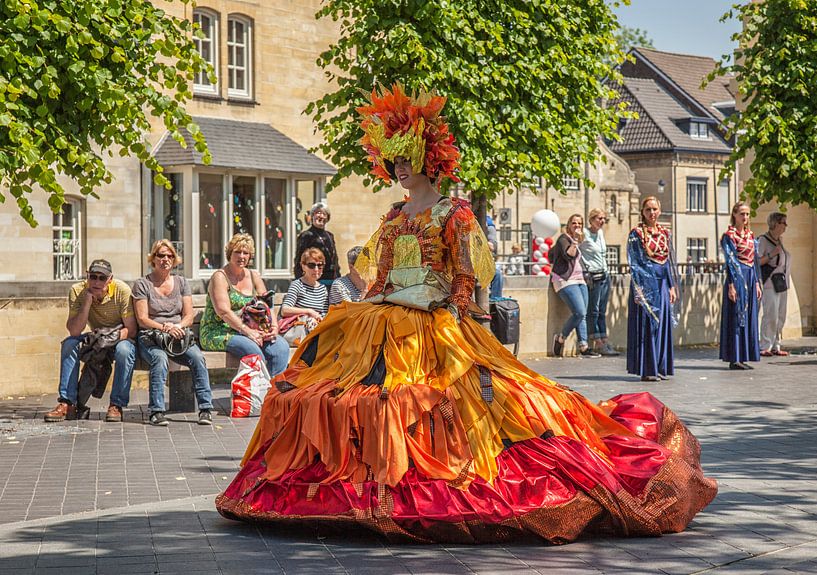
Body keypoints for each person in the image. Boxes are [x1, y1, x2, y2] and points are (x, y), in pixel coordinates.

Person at [215, 83, 715, 543]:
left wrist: (457, 317)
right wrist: (361, 307)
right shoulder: (392, 217)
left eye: (407, 157)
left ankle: (410, 481)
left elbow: (467, 280)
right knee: (318, 389)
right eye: (393, 161)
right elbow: (380, 276)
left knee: (436, 402)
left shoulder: (455, 214)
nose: (400, 169)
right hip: (379, 317)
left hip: (433, 321)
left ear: (427, 157)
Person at [45, 259, 137, 423]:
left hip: (119, 336)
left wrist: (110, 339)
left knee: (124, 351)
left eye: (102, 278)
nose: (96, 281)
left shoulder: (122, 290)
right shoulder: (77, 290)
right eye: (93, 276)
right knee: (69, 344)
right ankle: (67, 403)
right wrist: (87, 302)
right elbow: (74, 330)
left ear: (110, 279)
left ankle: (116, 404)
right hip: (95, 336)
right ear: (87, 276)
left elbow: (131, 329)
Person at [133, 240, 213, 426]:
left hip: (178, 336)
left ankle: (205, 409)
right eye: (161, 255)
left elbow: (188, 315)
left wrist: (178, 327)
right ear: (153, 259)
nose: (165, 259)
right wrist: (165, 328)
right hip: (152, 338)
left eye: (170, 256)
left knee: (198, 358)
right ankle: (156, 411)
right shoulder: (143, 284)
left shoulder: (181, 282)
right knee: (159, 359)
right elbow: (142, 319)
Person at [200, 233, 290, 376]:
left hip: (250, 330)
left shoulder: (254, 275)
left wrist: (274, 327)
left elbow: (267, 304)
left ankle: (273, 393)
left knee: (280, 347)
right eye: (237, 252)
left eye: (246, 253)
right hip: (218, 331)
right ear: (229, 253)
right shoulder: (220, 276)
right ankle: (252, 393)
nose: (241, 256)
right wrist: (248, 332)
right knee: (253, 350)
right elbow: (223, 312)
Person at [626, 196, 679, 382]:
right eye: (648, 209)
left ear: (660, 210)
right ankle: (648, 368)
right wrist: (638, 289)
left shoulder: (665, 233)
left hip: (662, 284)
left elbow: (668, 263)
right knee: (648, 325)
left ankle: (660, 366)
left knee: (662, 324)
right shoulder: (636, 234)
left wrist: (671, 286)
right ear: (643, 212)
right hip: (646, 286)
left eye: (655, 209)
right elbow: (635, 264)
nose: (652, 213)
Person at [549, 214, 600, 358]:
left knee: (582, 314)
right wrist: (576, 240)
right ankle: (561, 338)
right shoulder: (563, 239)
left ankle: (583, 346)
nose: (577, 226)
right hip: (565, 279)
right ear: (568, 224)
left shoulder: (574, 240)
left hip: (580, 279)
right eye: (574, 223)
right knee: (580, 312)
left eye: (579, 223)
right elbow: (569, 255)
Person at [719, 202, 762, 370]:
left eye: (747, 214)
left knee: (748, 316)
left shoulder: (751, 235)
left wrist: (757, 282)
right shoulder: (729, 236)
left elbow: (755, 261)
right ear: (734, 215)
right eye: (742, 214)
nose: (745, 217)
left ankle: (744, 355)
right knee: (737, 316)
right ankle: (734, 357)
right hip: (737, 277)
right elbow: (730, 262)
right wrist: (731, 284)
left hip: (750, 277)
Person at [580, 209, 619, 357]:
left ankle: (604, 339)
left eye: (603, 219)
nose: (602, 221)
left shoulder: (601, 233)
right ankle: (596, 340)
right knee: (593, 309)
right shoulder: (584, 234)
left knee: (602, 309)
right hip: (593, 275)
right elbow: (576, 251)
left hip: (605, 274)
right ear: (591, 220)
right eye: (599, 218)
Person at [757, 212, 791, 357]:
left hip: (781, 283)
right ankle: (765, 345)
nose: (786, 225)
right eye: (784, 222)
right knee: (770, 314)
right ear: (775, 224)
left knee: (780, 315)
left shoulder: (780, 240)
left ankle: (776, 344)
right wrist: (772, 254)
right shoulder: (763, 240)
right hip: (770, 283)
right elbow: (757, 261)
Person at [294, 202, 340, 287]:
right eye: (318, 213)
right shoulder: (306, 235)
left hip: (332, 281)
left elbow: (335, 259)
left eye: (324, 214)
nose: (321, 216)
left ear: (327, 218)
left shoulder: (330, 235)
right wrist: (300, 283)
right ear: (312, 216)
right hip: (314, 281)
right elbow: (299, 261)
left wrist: (338, 278)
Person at [281, 248, 330, 323]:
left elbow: (324, 314)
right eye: (311, 265)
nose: (316, 269)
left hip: (318, 328)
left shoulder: (323, 289)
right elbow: (285, 310)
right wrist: (308, 312)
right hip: (300, 327)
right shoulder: (297, 285)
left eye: (320, 265)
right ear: (303, 266)